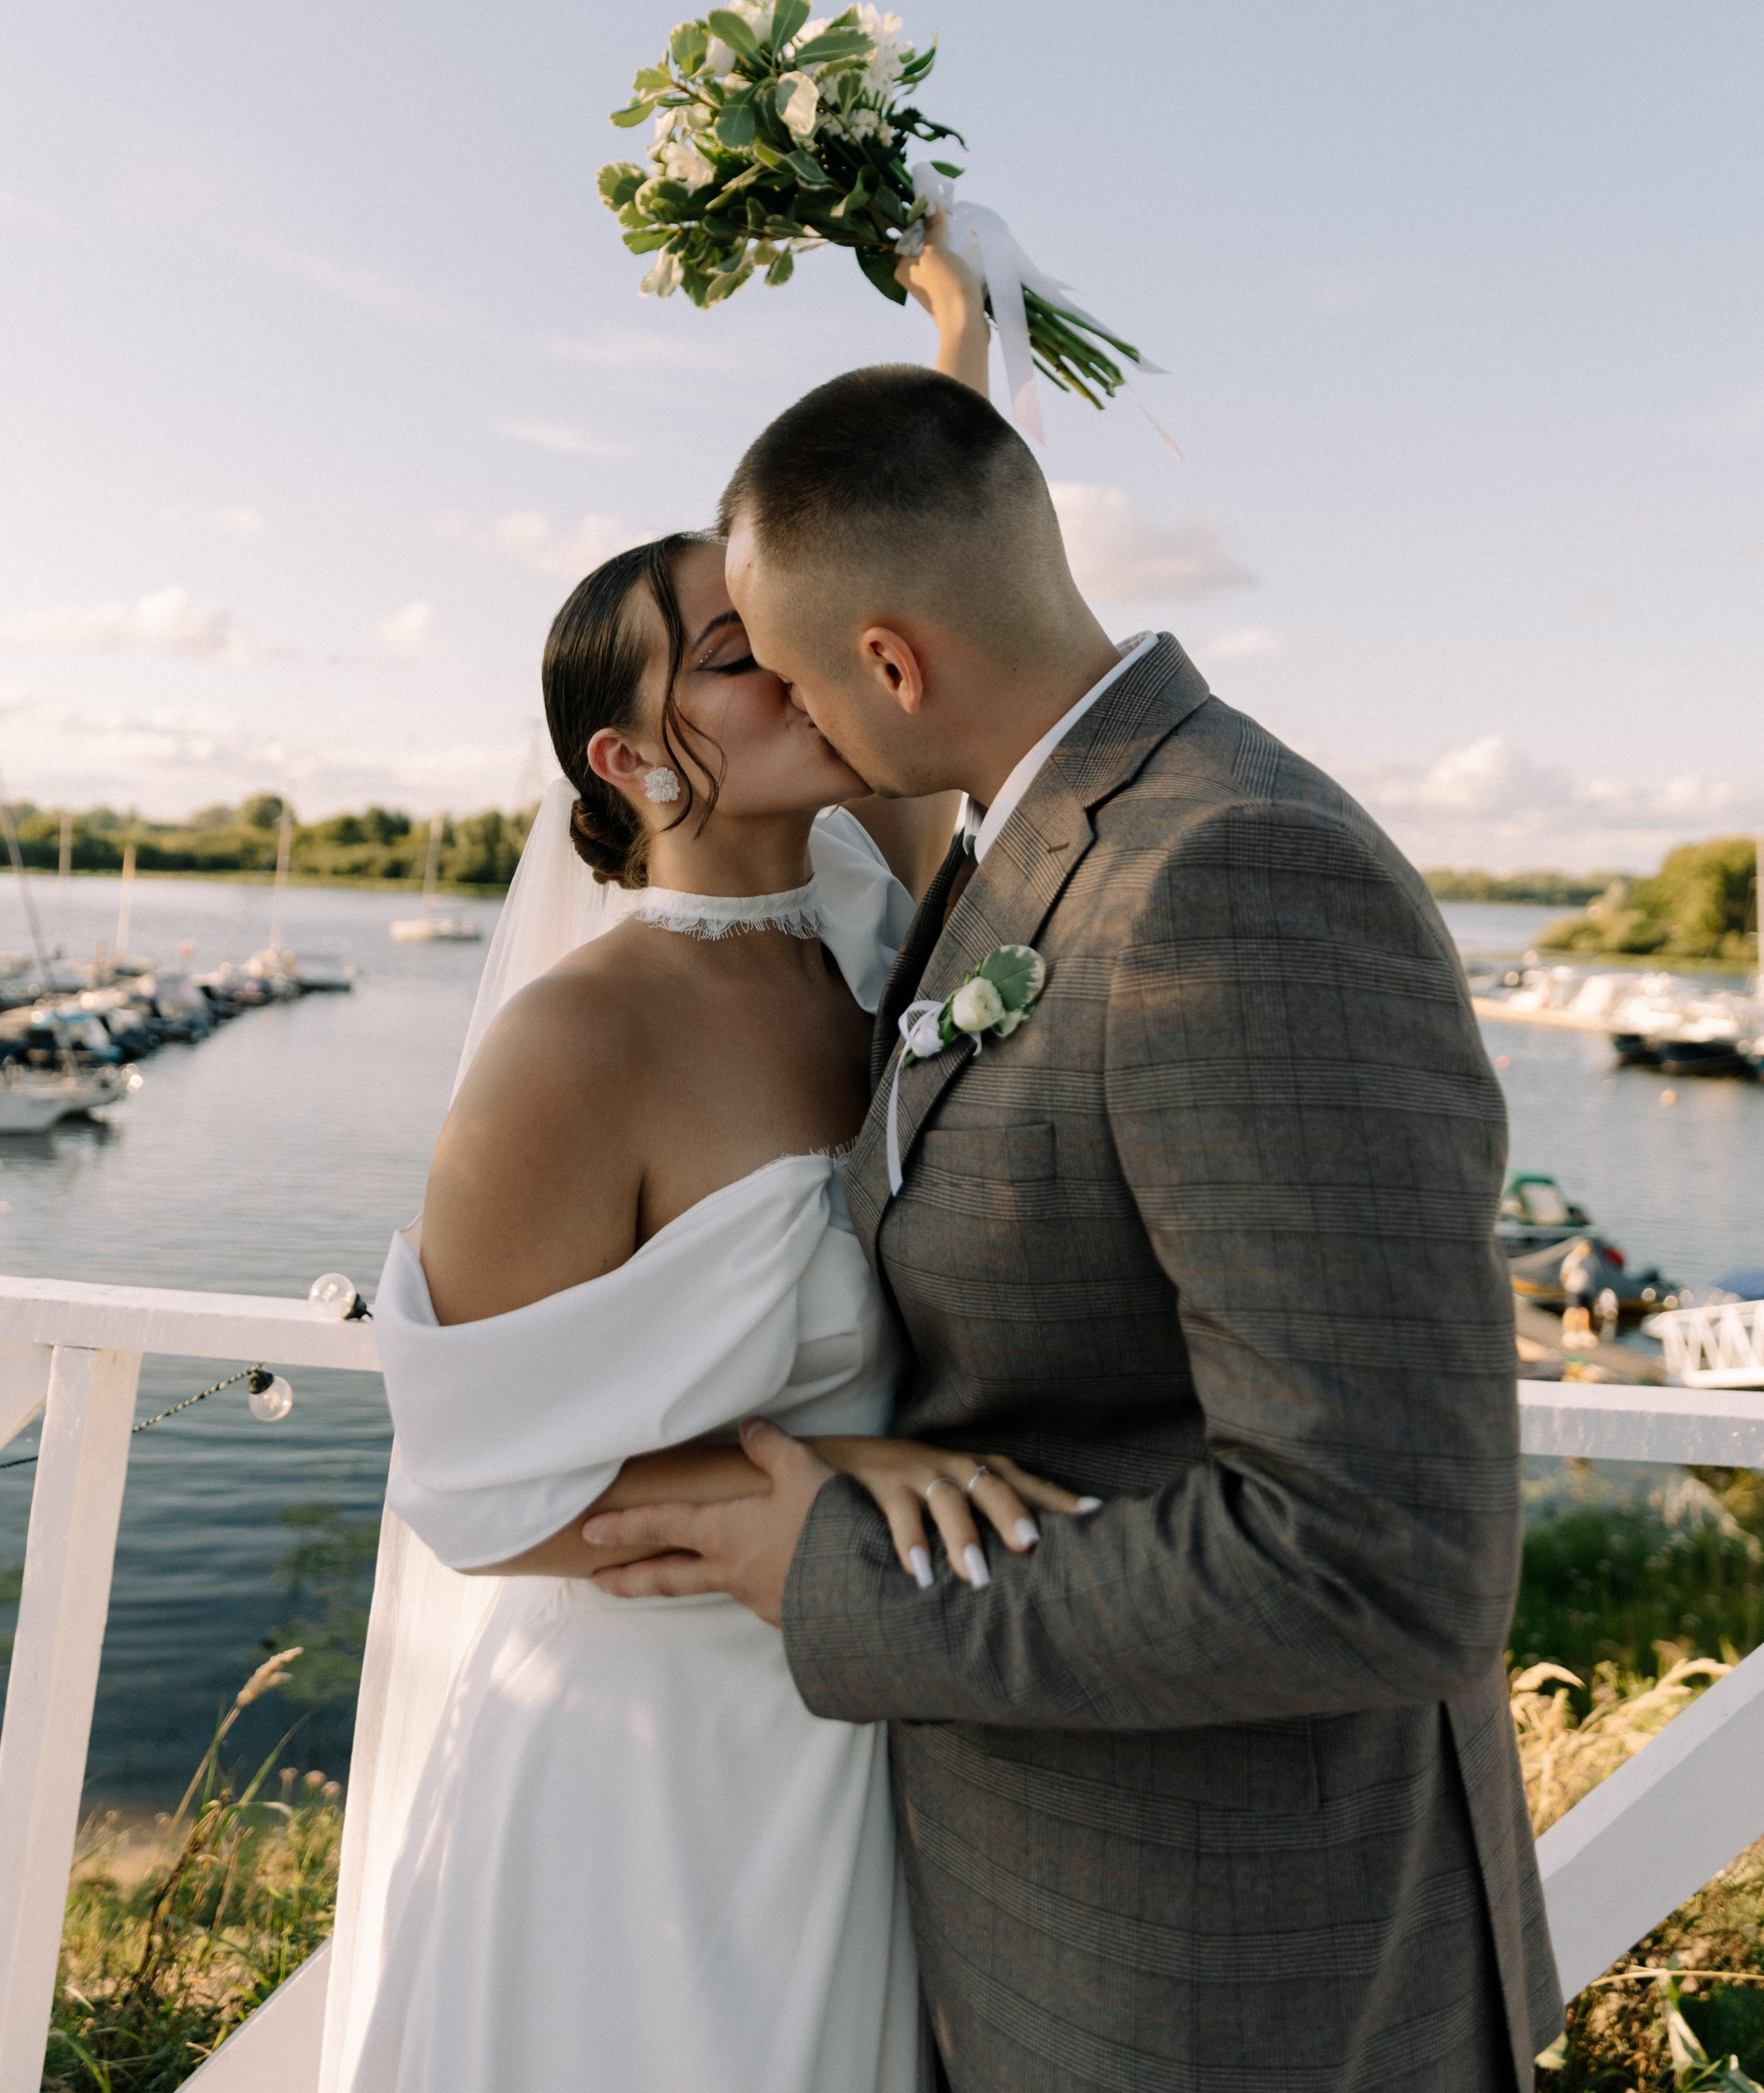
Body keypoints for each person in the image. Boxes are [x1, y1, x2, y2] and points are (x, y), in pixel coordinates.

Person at [582, 363, 1565, 2093]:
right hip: (1044, 1927)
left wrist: (837, 1582)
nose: (802, 720)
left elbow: (1379, 1556)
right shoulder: (1020, 833)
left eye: (798, 674)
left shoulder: (1230, 879)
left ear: (887, 663)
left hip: (1229, 1977)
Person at [326, 242, 1090, 2093]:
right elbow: (481, 1496)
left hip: (845, 1736)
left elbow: (921, 596)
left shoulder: (866, 930)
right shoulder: (577, 1045)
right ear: (632, 757)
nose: (809, 669)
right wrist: (844, 1474)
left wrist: (957, 346)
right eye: (744, 657)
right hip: (640, 1770)